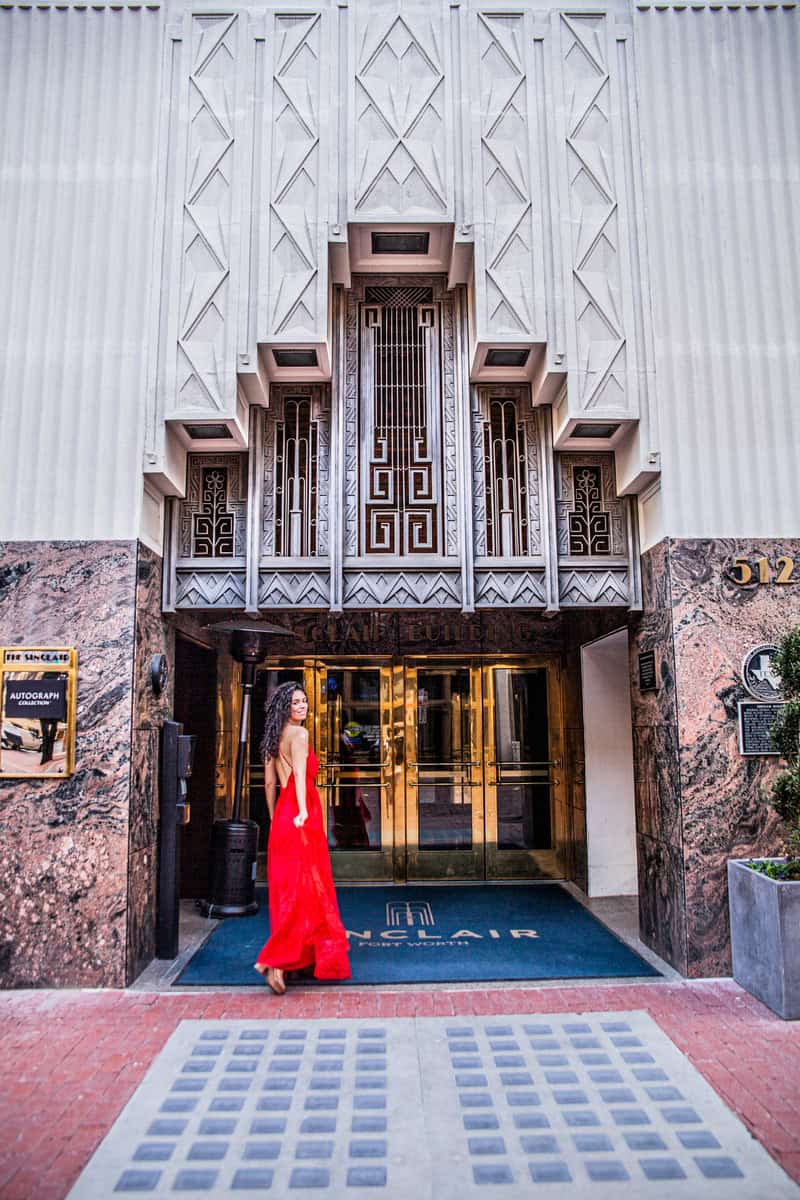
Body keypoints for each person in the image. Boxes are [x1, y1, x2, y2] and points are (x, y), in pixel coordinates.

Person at [254, 681, 351, 994]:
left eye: (304, 702)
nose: (302, 707)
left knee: (288, 889)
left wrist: (274, 817)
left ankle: (289, 960)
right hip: (301, 814)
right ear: (285, 706)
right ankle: (274, 960)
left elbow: (270, 784)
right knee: (307, 887)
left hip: (283, 815)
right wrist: (301, 813)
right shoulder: (300, 734)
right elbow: (298, 776)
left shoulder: (272, 737)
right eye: (296, 702)